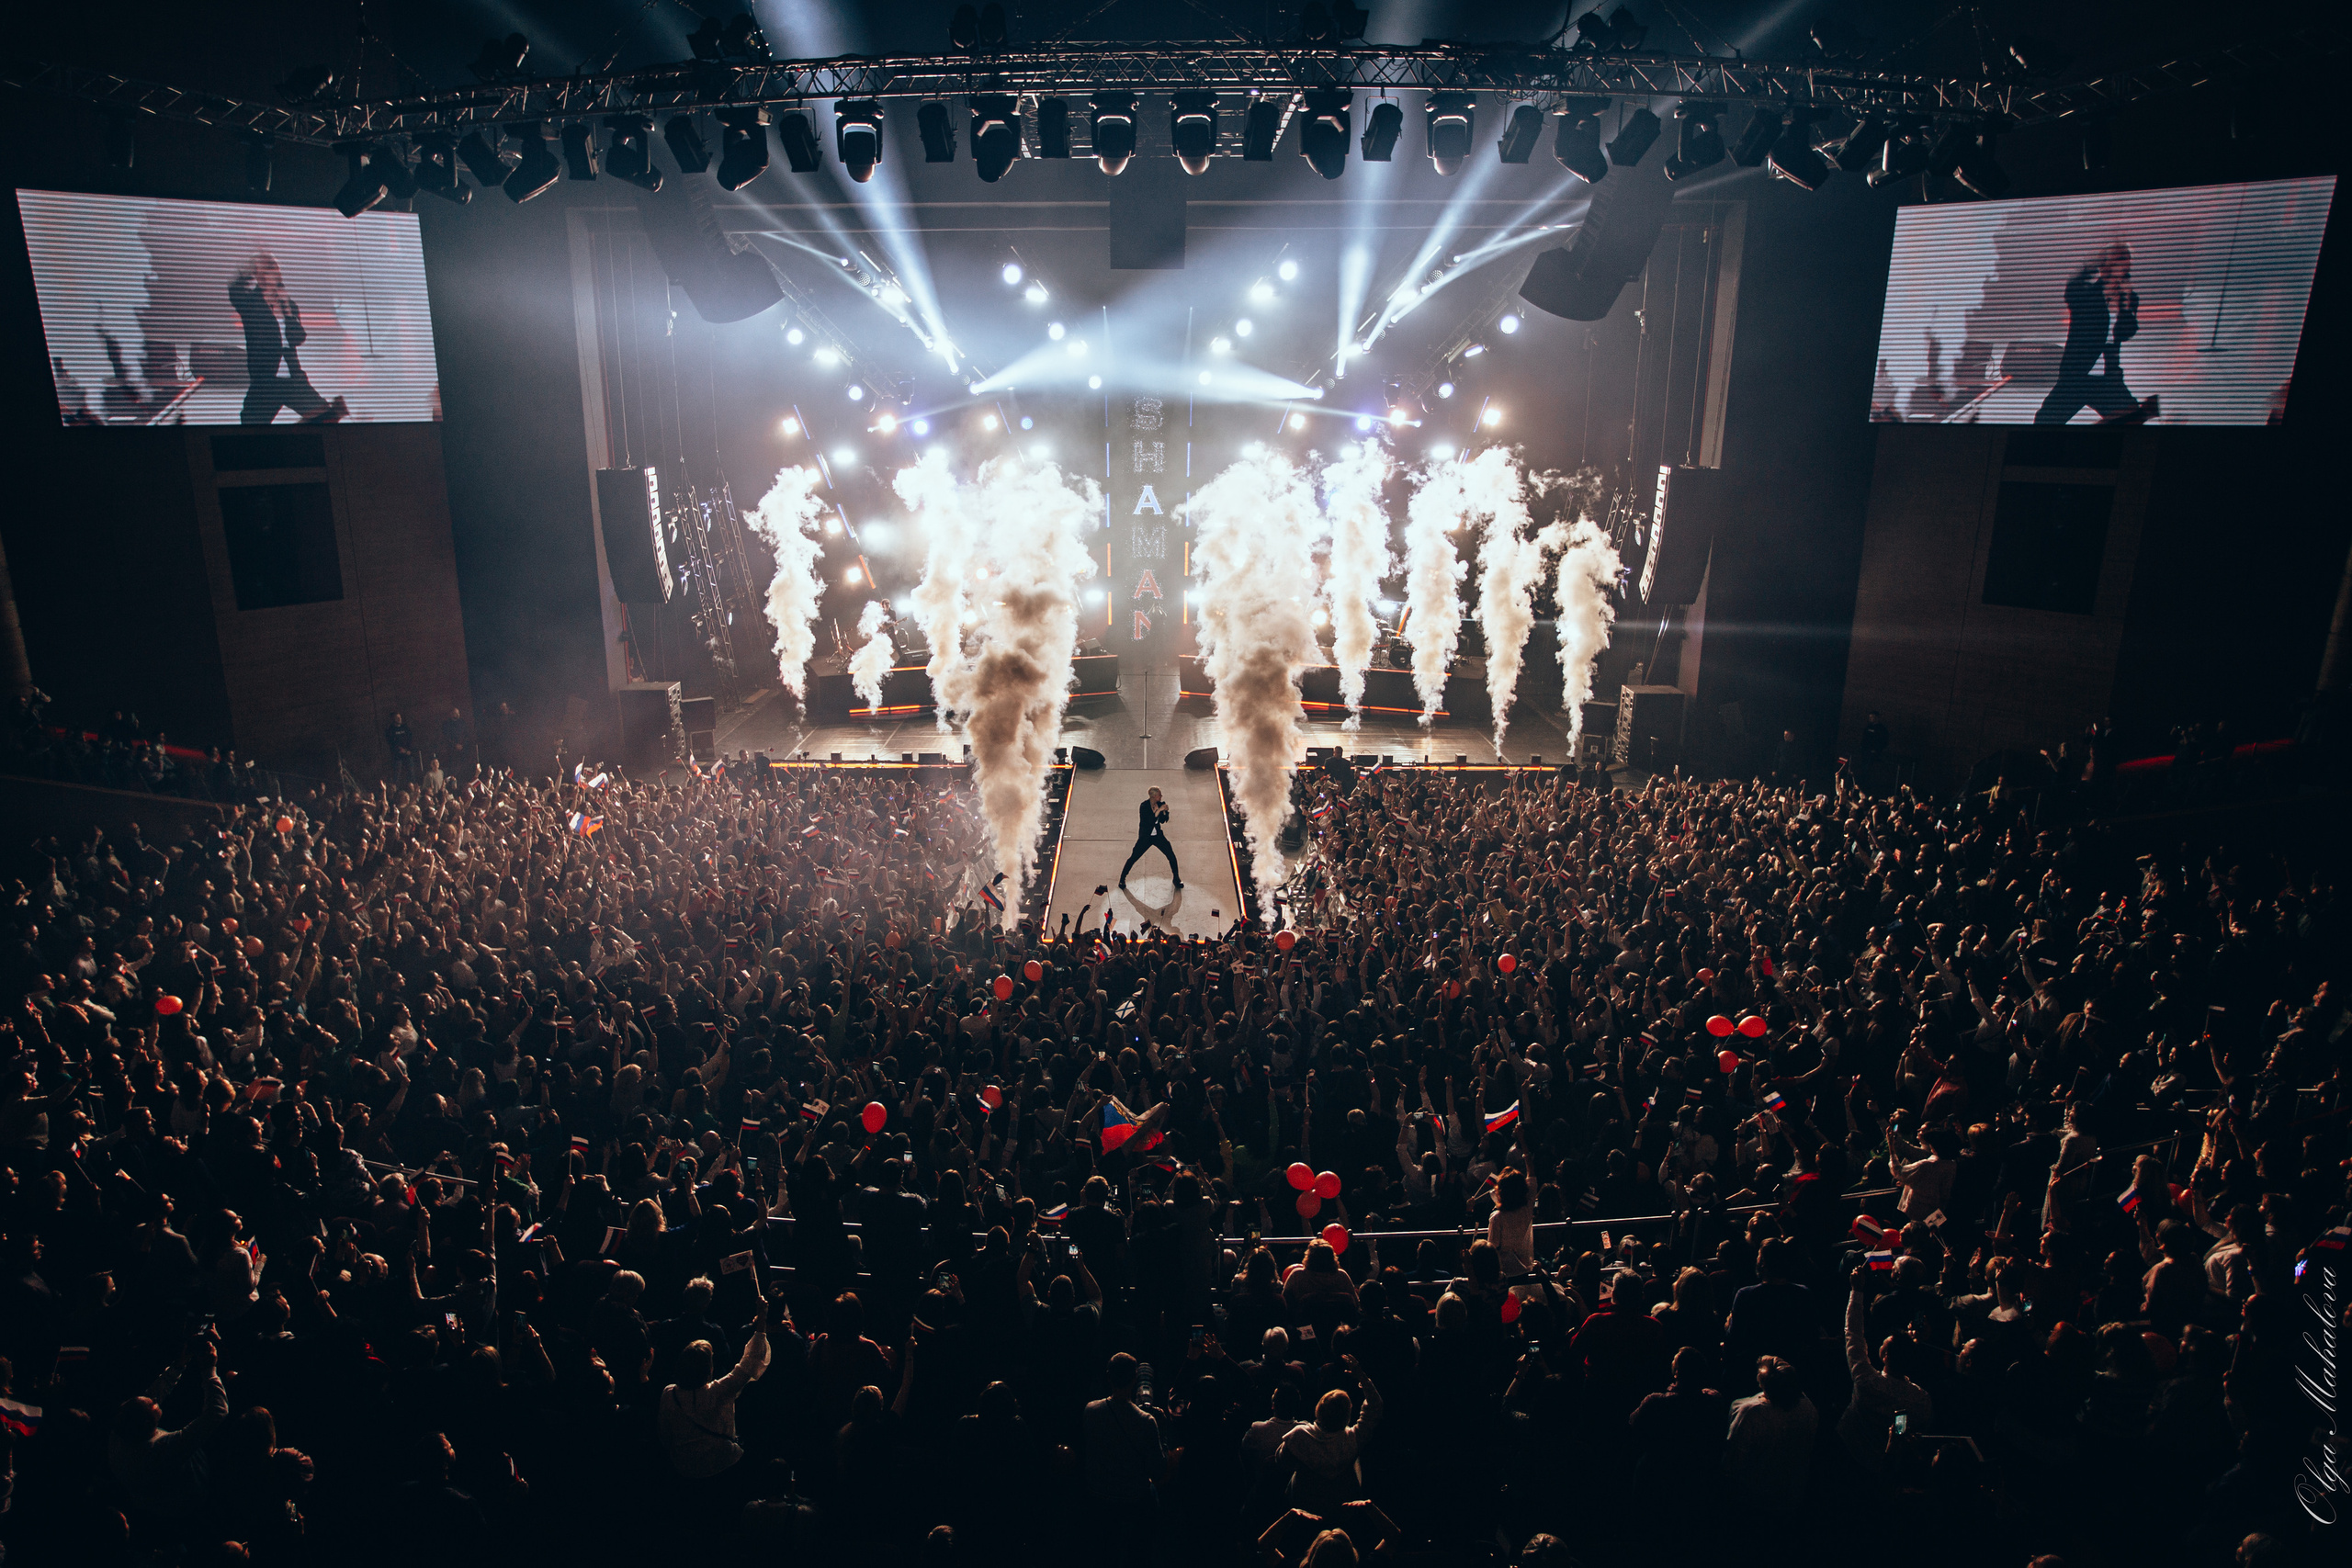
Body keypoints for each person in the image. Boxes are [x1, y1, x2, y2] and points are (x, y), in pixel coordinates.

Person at [2035, 242, 2157, 426]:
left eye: (2127, 264)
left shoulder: (2130, 297)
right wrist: (2093, 262)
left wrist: (2124, 307)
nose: (2125, 269)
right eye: (2120, 262)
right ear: (2107, 266)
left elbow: (2126, 333)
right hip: (2076, 375)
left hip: (2107, 379)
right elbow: (2073, 284)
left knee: (2132, 420)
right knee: (2045, 421)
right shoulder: (2086, 295)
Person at [228, 253, 347, 426]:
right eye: (268, 270)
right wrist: (247, 268)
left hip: (293, 378)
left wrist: (288, 312)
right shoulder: (250, 303)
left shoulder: (288, 304)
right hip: (265, 379)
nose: (274, 274)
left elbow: (298, 338)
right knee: (250, 426)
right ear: (258, 275)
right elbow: (235, 289)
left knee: (326, 419)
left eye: (275, 270)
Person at [1120, 785, 1181, 889]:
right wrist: (1158, 811)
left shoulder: (1160, 804)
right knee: (1134, 857)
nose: (1161, 796)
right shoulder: (1144, 806)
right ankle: (1122, 879)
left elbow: (1163, 820)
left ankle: (1176, 878)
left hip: (1157, 836)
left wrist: (1164, 811)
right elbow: (1149, 823)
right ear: (1154, 796)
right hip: (1145, 837)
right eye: (1159, 795)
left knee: (1171, 855)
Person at [383, 711, 417, 782]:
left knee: (411, 773)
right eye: (397, 718)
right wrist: (399, 750)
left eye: (400, 717)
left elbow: (410, 740)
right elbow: (391, 743)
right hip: (397, 755)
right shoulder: (391, 730)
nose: (399, 719)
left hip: (407, 753)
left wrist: (408, 751)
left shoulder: (405, 728)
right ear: (394, 719)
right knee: (397, 775)